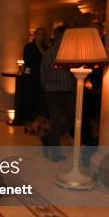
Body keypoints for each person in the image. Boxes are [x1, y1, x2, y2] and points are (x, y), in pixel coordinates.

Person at [40, 24, 75, 161]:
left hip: (51, 91)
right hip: (66, 91)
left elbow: (42, 74)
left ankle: (49, 139)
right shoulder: (70, 52)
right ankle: (53, 147)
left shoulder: (47, 53)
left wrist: (46, 87)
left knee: (56, 121)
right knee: (72, 119)